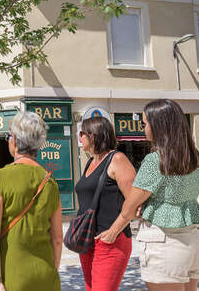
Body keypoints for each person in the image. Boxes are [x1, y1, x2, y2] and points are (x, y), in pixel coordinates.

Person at [97, 99, 199, 291]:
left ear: (158, 125)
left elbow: (129, 207)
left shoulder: (156, 161)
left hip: (164, 244)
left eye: (145, 123)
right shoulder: (194, 157)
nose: (143, 128)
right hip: (191, 241)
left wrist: (116, 228)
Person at [0, 111, 63, 291]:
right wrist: (52, 268)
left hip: (10, 274)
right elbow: (57, 238)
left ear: (15, 141)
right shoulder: (50, 183)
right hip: (45, 273)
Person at [75, 116, 136, 291]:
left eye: (82, 133)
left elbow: (134, 202)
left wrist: (113, 231)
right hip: (87, 241)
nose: (79, 137)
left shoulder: (117, 159)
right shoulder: (90, 162)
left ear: (93, 135)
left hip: (111, 240)